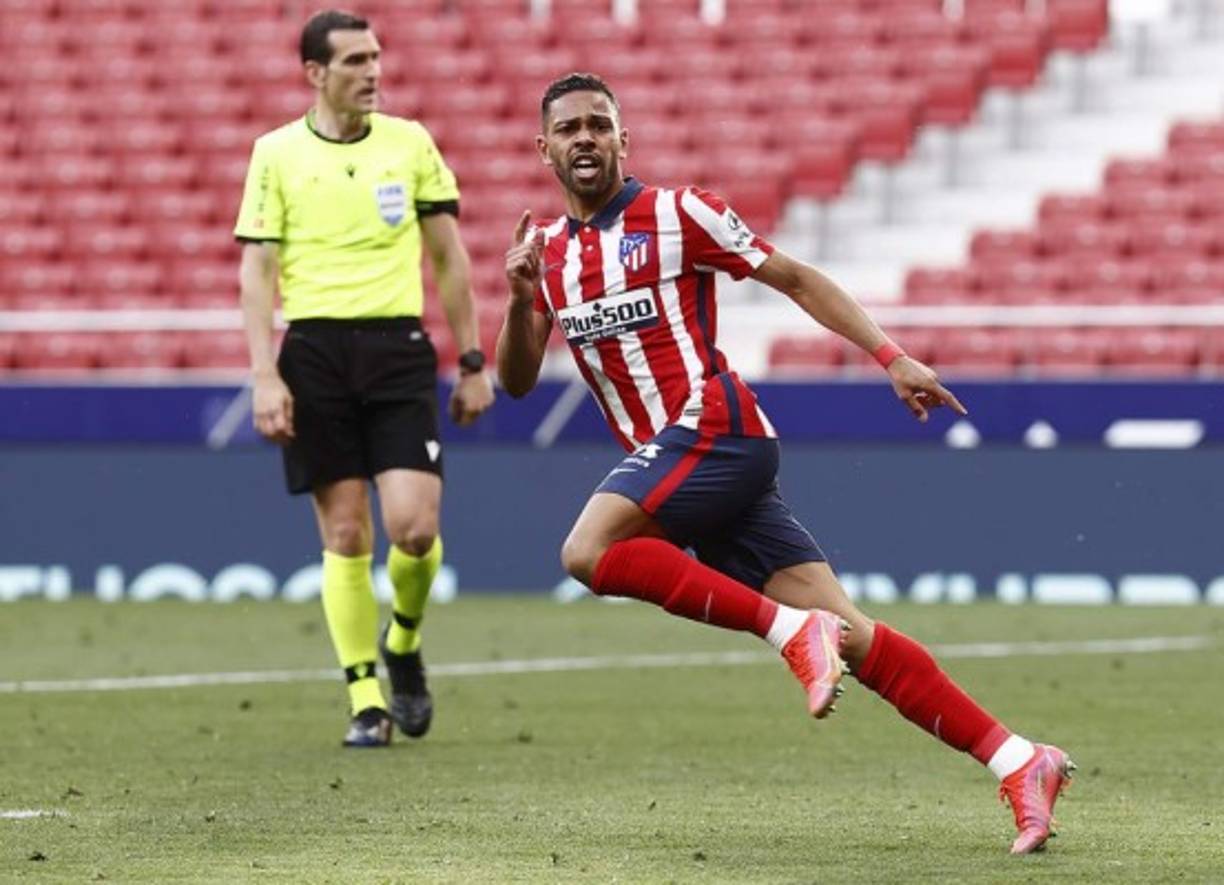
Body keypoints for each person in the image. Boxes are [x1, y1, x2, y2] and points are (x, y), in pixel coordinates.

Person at [497, 72, 1073, 854]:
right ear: (545, 149)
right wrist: (518, 296)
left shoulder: (677, 213)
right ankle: (1018, 758)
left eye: (600, 124)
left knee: (586, 551)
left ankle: (792, 631)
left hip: (716, 428)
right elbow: (518, 378)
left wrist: (891, 356)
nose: (586, 138)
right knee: (858, 636)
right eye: (570, 129)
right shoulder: (551, 258)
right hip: (678, 467)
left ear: (623, 139)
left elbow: (794, 276)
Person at [234, 10, 494, 747]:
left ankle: (403, 642)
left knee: (414, 527)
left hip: (397, 348)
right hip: (313, 351)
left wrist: (473, 359)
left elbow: (448, 259)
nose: (372, 71)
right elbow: (256, 270)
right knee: (346, 532)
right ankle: (365, 700)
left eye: (376, 57)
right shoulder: (276, 153)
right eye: (354, 61)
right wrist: (263, 373)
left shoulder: (410, 144)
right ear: (316, 73)